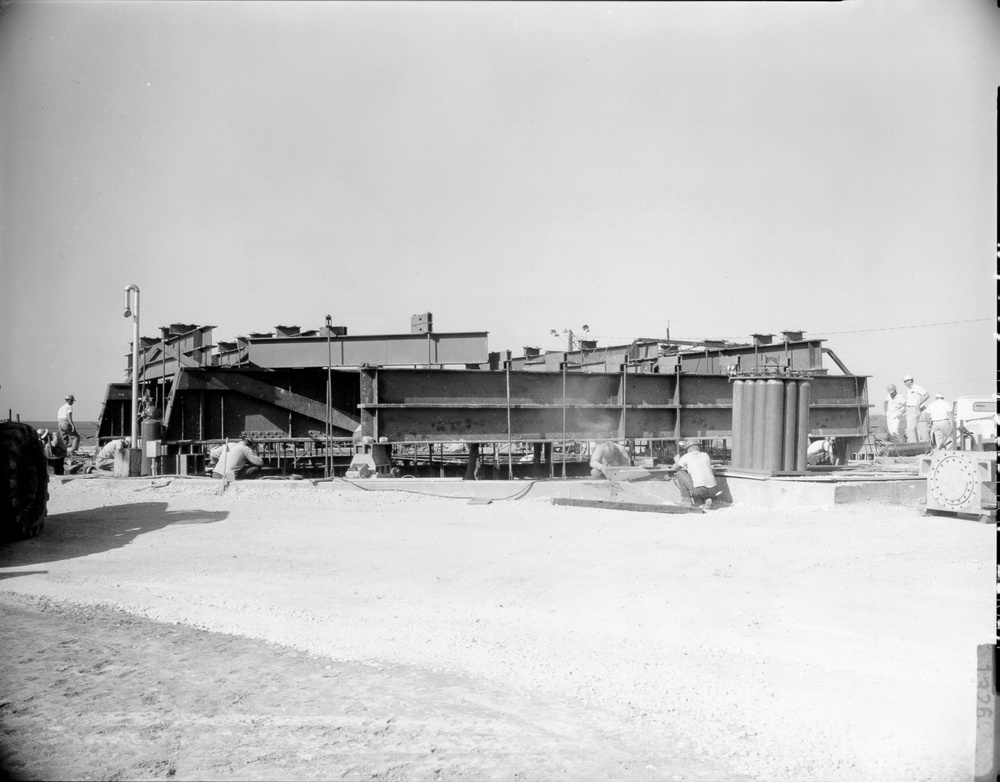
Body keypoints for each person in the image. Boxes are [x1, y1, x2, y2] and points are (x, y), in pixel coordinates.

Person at [672, 439, 720, 508]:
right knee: (701, 479)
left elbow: (674, 467)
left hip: (699, 490)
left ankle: (686, 500)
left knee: (680, 473)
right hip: (713, 490)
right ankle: (707, 500)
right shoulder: (706, 455)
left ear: (689, 450)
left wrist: (677, 461)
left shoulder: (687, 456)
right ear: (699, 448)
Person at [902, 375, 929, 443]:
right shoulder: (909, 390)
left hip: (914, 409)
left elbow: (927, 395)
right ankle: (916, 445)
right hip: (909, 410)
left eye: (906, 381)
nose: (905, 383)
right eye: (904, 381)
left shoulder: (917, 387)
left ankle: (913, 445)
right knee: (912, 429)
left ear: (910, 380)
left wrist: (919, 404)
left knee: (910, 429)